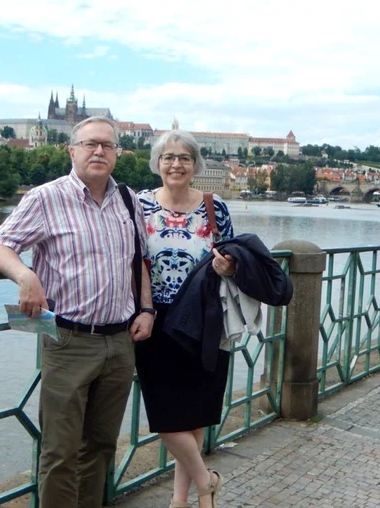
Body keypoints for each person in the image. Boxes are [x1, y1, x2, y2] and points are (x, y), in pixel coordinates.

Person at [0, 116, 155, 508]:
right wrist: (25, 274)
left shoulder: (128, 199)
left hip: (120, 339)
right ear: (71, 149)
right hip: (68, 339)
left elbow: (140, 261)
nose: (99, 151)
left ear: (117, 154)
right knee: (60, 452)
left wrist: (146, 309)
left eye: (107, 146)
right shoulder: (46, 197)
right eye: (90, 144)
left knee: (100, 447)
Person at [135, 130, 235, 508]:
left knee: (192, 414)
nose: (176, 164)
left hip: (204, 318)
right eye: (168, 157)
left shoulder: (215, 207)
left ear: (195, 165)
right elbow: (131, 258)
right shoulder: (139, 204)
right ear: (157, 163)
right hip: (153, 317)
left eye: (184, 158)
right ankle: (206, 481)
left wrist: (228, 267)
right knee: (165, 414)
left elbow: (232, 258)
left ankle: (181, 501)